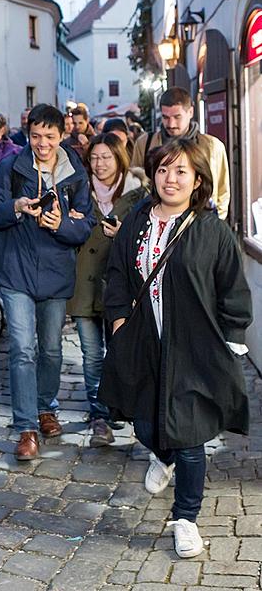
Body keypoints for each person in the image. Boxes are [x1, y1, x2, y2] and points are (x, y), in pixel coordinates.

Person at [99, 138, 251, 558]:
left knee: (189, 437)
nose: (171, 178)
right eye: (164, 169)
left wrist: (232, 338)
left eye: (181, 171)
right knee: (145, 424)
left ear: (198, 179)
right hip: (144, 340)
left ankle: (186, 518)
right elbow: (115, 274)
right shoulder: (136, 221)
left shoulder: (210, 230)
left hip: (194, 345)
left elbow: (232, 288)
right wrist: (118, 321)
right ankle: (159, 454)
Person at [0, 104, 94, 461]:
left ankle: (46, 407)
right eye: (35, 136)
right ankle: (26, 426)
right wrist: (15, 206)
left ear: (62, 135)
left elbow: (85, 226)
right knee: (23, 349)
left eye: (49, 136)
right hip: (15, 271)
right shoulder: (11, 167)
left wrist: (60, 224)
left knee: (52, 350)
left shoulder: (74, 173)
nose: (42, 144)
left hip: (56, 274)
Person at [67, 133, 147, 447]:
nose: (100, 164)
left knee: (121, 350)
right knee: (91, 355)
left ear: (119, 158)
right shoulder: (77, 190)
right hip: (85, 283)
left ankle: (120, 406)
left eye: (107, 157)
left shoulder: (138, 194)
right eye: (95, 158)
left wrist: (123, 234)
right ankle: (99, 414)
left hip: (120, 286)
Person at [131, 87, 229, 219]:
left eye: (177, 117)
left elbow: (222, 192)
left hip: (200, 224)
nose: (171, 124)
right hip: (155, 223)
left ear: (190, 112)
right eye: (165, 117)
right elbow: (133, 189)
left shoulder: (212, 146)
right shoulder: (144, 143)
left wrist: (215, 223)